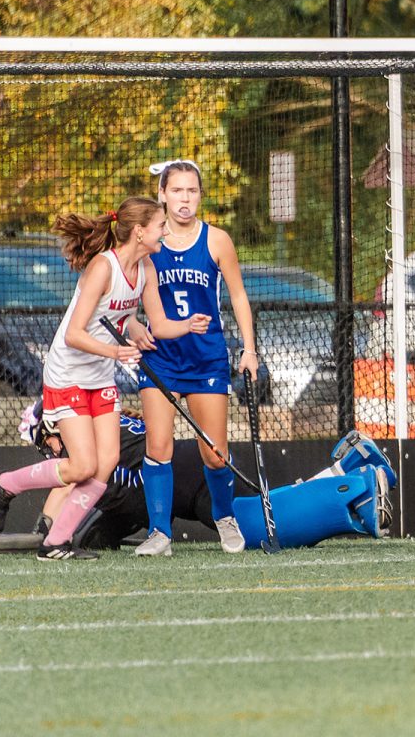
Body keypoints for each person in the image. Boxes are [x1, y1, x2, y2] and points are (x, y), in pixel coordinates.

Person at [0, 196, 210, 560]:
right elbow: (74, 333)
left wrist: (188, 326)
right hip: (68, 374)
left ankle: (55, 542)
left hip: (100, 376)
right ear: (139, 231)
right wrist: (116, 352)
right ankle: (4, 484)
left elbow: (158, 323)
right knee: (82, 465)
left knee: (105, 464)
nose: (165, 231)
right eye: (160, 225)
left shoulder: (146, 268)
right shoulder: (104, 268)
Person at [0, 401, 394, 552]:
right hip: (188, 468)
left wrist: (46, 531)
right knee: (261, 509)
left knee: (260, 529)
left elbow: (70, 485)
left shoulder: (89, 452)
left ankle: (355, 493)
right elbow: (117, 505)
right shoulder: (104, 436)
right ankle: (350, 466)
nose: (49, 452)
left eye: (46, 442)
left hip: (191, 481)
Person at [131, 159, 258, 558]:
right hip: (161, 359)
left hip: (206, 360)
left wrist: (249, 349)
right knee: (158, 447)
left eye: (192, 191)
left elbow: (237, 295)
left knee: (213, 451)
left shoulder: (217, 240)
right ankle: (158, 532)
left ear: (200, 195)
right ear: (162, 195)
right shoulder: (149, 243)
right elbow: (124, 292)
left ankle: (224, 517)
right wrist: (132, 326)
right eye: (177, 191)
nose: (185, 199)